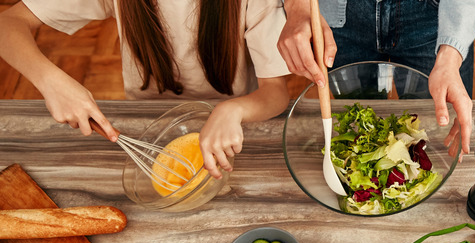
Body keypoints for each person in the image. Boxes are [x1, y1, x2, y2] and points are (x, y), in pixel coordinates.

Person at [0, 0, 291, 179]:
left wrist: (234, 109)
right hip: (151, 127)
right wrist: (51, 80)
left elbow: (275, 92)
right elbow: (7, 23)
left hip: (237, 129)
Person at [276, 0, 475, 159]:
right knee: (360, 131)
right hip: (336, 14)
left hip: (435, 15)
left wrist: (450, 54)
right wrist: (298, 5)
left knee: (434, 142)